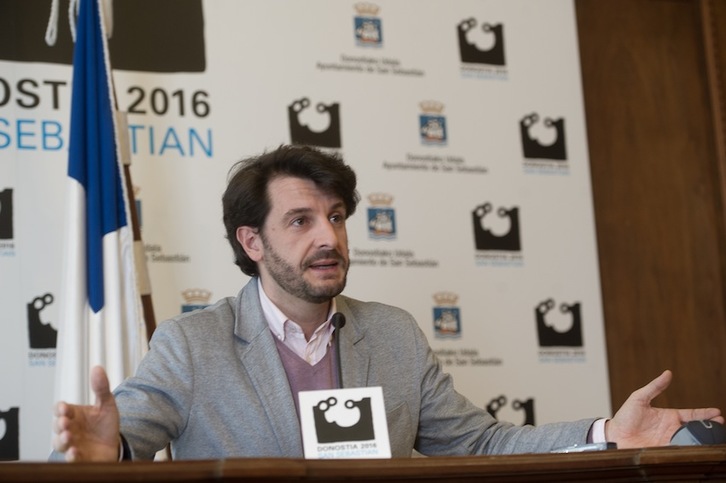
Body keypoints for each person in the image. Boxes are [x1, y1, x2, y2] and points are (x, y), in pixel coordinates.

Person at [52, 144, 722, 461]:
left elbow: (480, 441)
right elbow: (111, 444)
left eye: (337, 216)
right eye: (302, 220)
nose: (329, 237)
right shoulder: (193, 344)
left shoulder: (394, 334)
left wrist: (606, 433)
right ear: (251, 240)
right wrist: (102, 452)